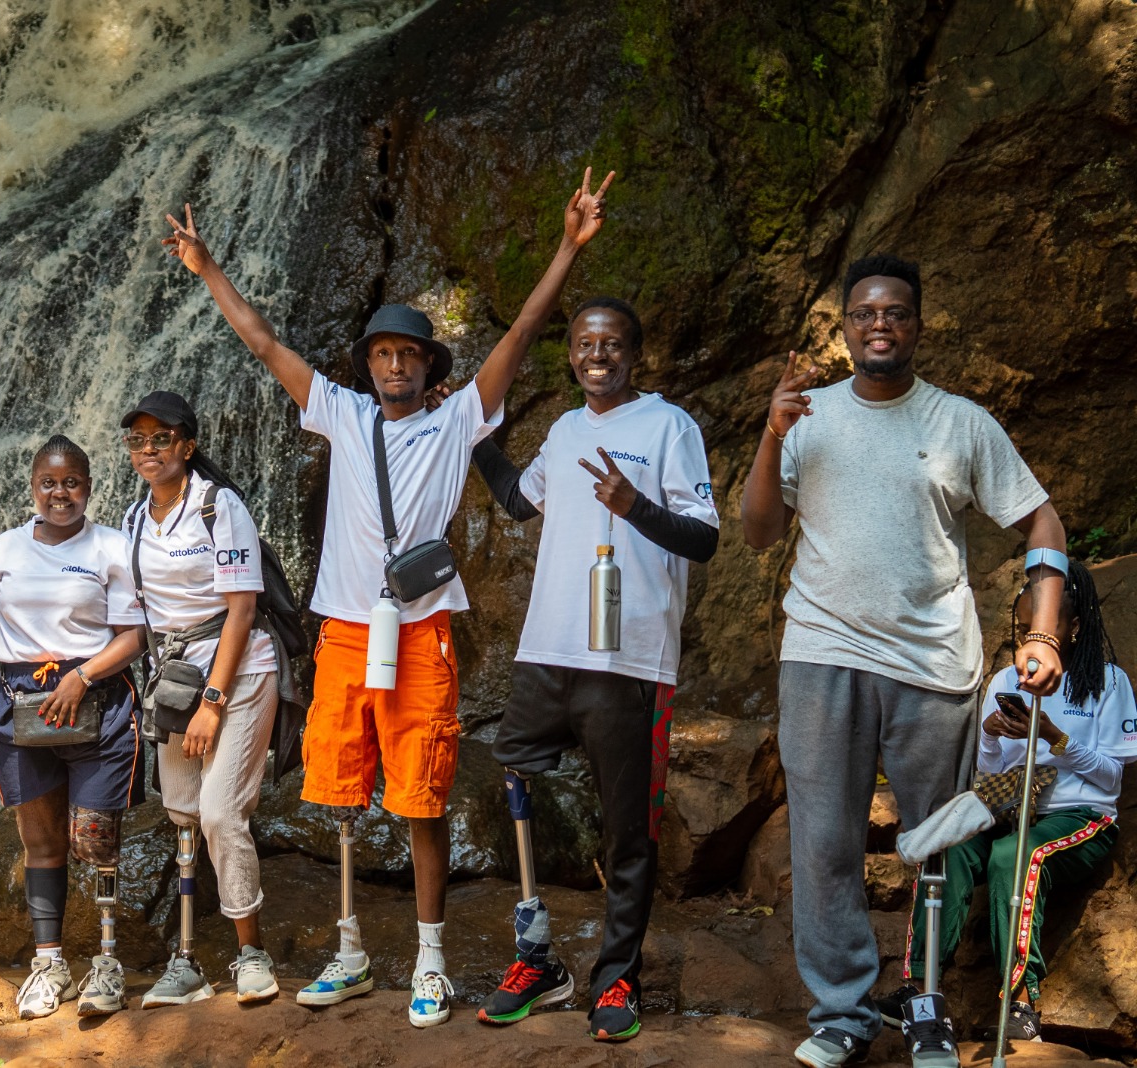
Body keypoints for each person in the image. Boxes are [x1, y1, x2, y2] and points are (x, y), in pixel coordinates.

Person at [161, 166, 613, 1028]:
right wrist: (208, 268)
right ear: (367, 367)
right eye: (383, 354)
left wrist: (565, 246)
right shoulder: (338, 411)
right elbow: (264, 344)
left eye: (409, 354)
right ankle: (350, 950)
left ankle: (432, 961)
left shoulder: (457, 420)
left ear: (429, 367)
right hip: (341, 631)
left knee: (422, 792)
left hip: (421, 629)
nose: (396, 364)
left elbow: (523, 329)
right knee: (336, 788)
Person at [739, 254, 1069, 1068]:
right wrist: (770, 432)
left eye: (895, 312)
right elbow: (755, 532)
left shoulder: (962, 422)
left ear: (917, 326)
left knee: (935, 843)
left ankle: (924, 1004)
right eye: (864, 313)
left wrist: (1044, 632)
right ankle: (842, 1013)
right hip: (823, 652)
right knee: (823, 842)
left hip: (932, 663)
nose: (879, 323)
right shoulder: (806, 416)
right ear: (846, 327)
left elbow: (1045, 525)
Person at [464, 295, 719, 1041]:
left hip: (629, 657)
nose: (594, 353)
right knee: (515, 780)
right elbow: (518, 501)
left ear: (633, 354)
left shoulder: (670, 427)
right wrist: (476, 434)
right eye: (582, 343)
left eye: (609, 343)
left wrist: (635, 504)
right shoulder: (567, 427)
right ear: (571, 355)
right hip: (548, 648)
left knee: (626, 829)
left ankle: (617, 980)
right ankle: (537, 957)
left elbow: (702, 540)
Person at [0, 434, 146, 1020]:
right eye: (49, 483)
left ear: (88, 488)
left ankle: (106, 961)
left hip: (94, 699)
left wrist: (82, 677)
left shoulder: (113, 548)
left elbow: (135, 633)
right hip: (18, 703)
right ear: (33, 488)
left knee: (96, 839)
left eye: (71, 482)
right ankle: (49, 963)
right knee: (42, 842)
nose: (60, 493)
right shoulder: (3, 550)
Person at [879, 560, 1135, 1043]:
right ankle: (916, 988)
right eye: (1022, 629)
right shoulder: (1003, 682)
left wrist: (1057, 739)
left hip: (1079, 816)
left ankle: (1019, 999)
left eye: (1042, 627)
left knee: (1015, 856)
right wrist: (993, 737)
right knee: (949, 848)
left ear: (1074, 627)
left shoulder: (1108, 682)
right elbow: (991, 778)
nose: (1028, 639)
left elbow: (1111, 779)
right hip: (1006, 808)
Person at [117, 390, 284, 1009]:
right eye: (138, 439)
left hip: (235, 677)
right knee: (183, 815)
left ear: (187, 446)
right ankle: (187, 962)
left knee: (218, 813)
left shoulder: (220, 507)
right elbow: (139, 622)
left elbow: (242, 608)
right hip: (175, 682)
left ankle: (251, 953)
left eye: (162, 438)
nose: (149, 449)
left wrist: (213, 700)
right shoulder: (135, 520)